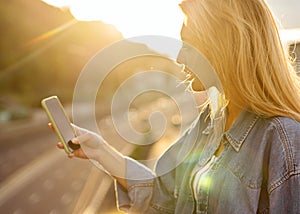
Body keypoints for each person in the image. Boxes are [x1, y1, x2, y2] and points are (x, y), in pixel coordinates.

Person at [50, 0, 300, 213]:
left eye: (188, 44)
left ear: (225, 46)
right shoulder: (209, 124)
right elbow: (166, 197)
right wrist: (101, 151)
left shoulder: (284, 140)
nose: (180, 58)